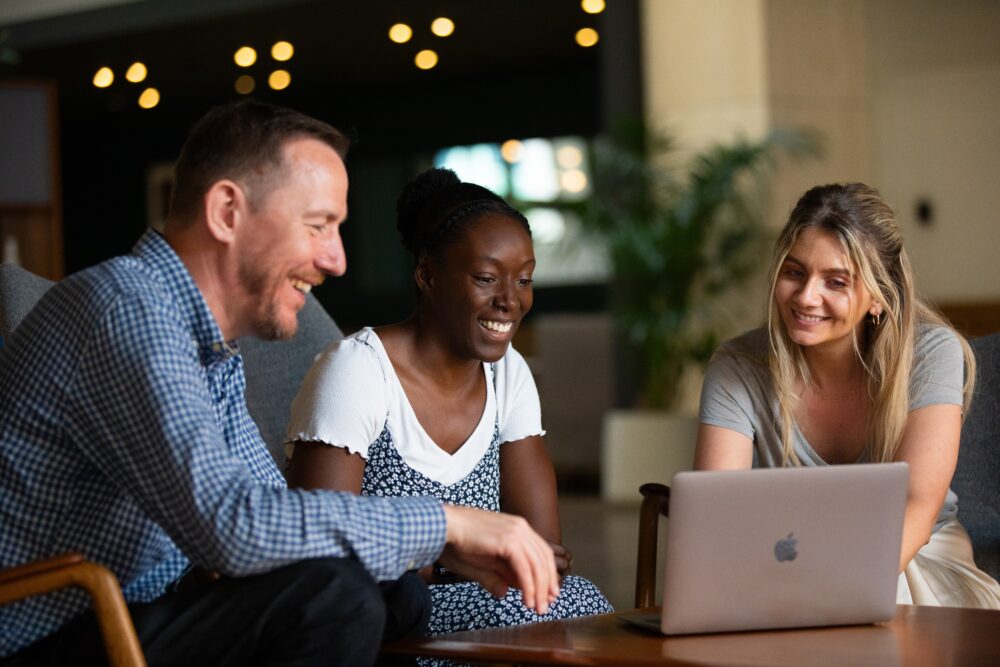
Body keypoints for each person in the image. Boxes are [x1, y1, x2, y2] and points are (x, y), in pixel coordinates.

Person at [0, 100, 560, 666]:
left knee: (395, 594)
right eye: (317, 226)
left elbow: (274, 508)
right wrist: (448, 523)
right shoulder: (128, 311)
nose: (336, 259)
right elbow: (236, 524)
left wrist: (433, 548)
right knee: (334, 599)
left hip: (143, 606)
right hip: (51, 632)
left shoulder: (209, 344)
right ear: (226, 212)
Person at [285, 167, 612, 637]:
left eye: (524, 280)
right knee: (534, 616)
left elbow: (542, 553)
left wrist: (494, 562)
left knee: (578, 600)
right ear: (427, 276)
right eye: (486, 278)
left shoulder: (507, 373)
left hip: (496, 603)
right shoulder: (357, 371)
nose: (510, 301)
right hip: (384, 616)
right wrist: (448, 554)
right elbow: (319, 551)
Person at [695, 182, 1000, 608]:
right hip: (781, 563)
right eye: (794, 272)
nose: (806, 297)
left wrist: (831, 594)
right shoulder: (737, 367)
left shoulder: (931, 353)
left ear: (878, 296)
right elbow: (716, 515)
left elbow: (917, 505)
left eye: (835, 281)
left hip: (913, 557)